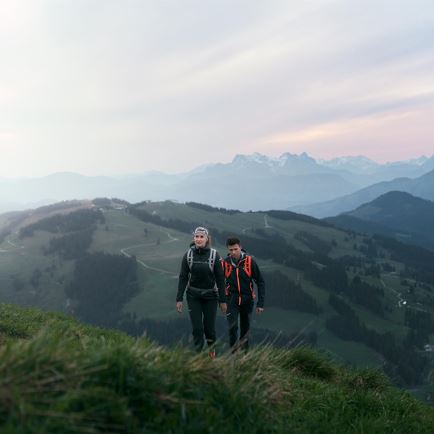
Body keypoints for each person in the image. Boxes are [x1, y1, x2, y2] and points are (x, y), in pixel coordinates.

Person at [176, 227, 227, 357]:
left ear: (206, 239)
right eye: (196, 237)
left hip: (210, 297)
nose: (199, 239)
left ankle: (212, 354)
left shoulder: (214, 255)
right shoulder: (188, 255)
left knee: (209, 330)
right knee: (197, 329)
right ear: (194, 238)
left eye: (201, 237)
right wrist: (179, 299)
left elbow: (221, 279)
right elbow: (183, 277)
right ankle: (198, 358)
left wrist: (223, 300)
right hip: (193, 296)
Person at [223, 236, 265, 352]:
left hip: (247, 300)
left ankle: (245, 357)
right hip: (231, 300)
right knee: (233, 328)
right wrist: (221, 301)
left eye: (236, 249)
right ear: (228, 250)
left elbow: (260, 282)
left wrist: (260, 303)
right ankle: (233, 356)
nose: (233, 252)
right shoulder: (225, 263)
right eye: (231, 250)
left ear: (240, 247)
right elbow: (218, 283)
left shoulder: (250, 261)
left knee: (245, 330)